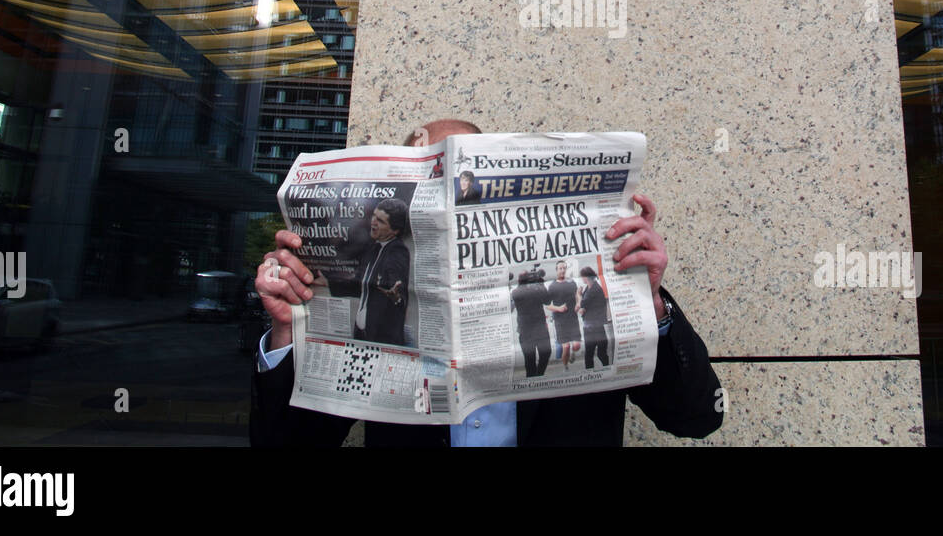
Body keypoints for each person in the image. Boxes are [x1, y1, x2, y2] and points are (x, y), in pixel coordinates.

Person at [251, 118, 723, 447]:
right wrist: (287, 333)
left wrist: (651, 299)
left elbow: (698, 416)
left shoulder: (595, 280)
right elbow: (283, 444)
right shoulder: (376, 265)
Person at [351, 199, 410, 345]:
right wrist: (327, 282)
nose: (373, 222)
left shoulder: (397, 251)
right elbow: (358, 283)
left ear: (395, 230)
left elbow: (397, 285)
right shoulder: (374, 248)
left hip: (381, 338)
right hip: (361, 332)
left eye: (381, 221)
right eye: (374, 216)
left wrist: (396, 297)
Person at [510, 270, 553, 377]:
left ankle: (534, 378)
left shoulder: (515, 292)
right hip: (537, 329)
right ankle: (539, 375)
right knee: (545, 354)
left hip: (527, 330)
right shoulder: (536, 290)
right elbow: (547, 301)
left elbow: (510, 308)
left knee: (530, 360)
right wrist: (541, 284)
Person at [546, 260, 582, 368]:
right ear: (557, 270)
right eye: (560, 268)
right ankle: (565, 366)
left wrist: (578, 303)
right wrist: (558, 308)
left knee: (576, 345)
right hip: (560, 321)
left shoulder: (572, 283)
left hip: (572, 319)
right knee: (565, 347)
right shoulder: (552, 286)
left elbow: (578, 295)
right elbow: (547, 305)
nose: (562, 270)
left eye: (564, 268)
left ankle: (573, 353)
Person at [578, 266, 610, 370]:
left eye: (582, 277)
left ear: (586, 277)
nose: (581, 279)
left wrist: (578, 294)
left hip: (595, 327)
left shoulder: (595, 289)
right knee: (590, 355)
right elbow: (587, 305)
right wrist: (583, 310)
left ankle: (608, 369)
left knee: (600, 354)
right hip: (590, 326)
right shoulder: (589, 288)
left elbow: (582, 302)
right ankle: (591, 374)